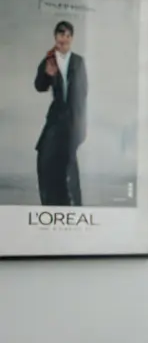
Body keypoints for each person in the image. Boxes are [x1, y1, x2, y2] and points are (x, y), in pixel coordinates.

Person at [32, 20, 87, 206]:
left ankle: (71, 207)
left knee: (68, 165)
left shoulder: (78, 62)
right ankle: (50, 204)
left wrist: (81, 126)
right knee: (45, 155)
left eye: (68, 35)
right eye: (61, 34)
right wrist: (47, 74)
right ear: (55, 37)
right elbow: (39, 86)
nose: (64, 38)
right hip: (55, 118)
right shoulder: (49, 60)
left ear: (71, 38)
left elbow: (83, 94)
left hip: (72, 120)